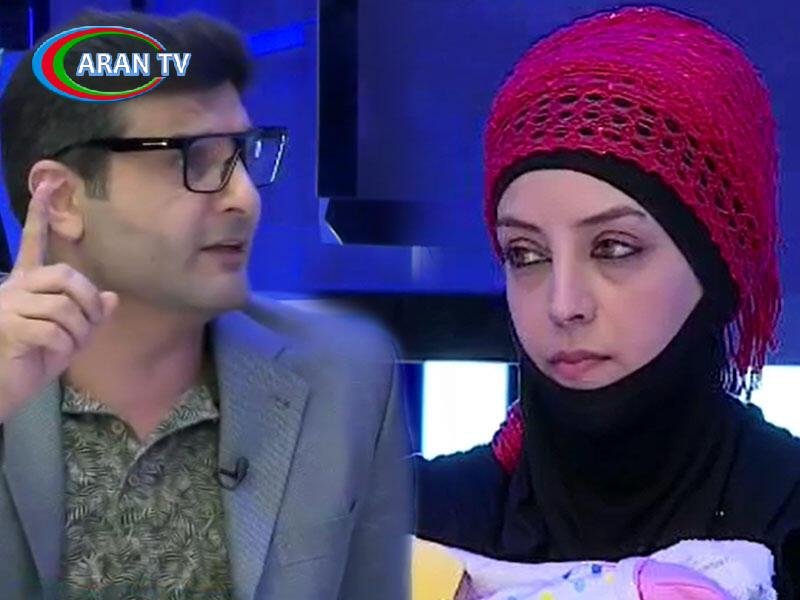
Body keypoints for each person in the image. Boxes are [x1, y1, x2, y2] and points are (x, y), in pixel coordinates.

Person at [0, 10, 410, 600]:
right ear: (63, 199)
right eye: (194, 159)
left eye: (243, 155)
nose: (244, 199)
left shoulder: (347, 378)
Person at [414, 6, 800, 598]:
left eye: (614, 248)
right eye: (525, 254)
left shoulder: (787, 520)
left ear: (716, 267)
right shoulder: (414, 524)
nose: (563, 305)